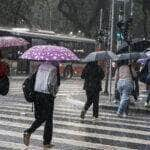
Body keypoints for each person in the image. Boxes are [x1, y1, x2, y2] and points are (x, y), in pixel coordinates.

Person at [23, 62, 60, 148]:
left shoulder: (40, 67)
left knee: (42, 117)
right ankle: (29, 132)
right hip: (47, 96)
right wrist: (54, 94)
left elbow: (34, 79)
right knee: (47, 118)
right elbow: (52, 84)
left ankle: (46, 142)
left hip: (37, 95)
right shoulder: (53, 68)